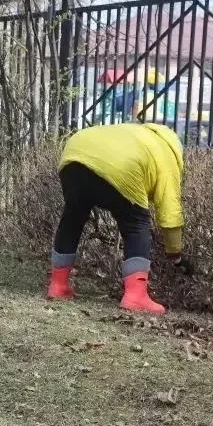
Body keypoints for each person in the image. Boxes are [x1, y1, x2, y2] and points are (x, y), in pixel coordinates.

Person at [46, 122, 196, 314]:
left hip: (74, 153)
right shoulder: (168, 156)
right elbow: (170, 214)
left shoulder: (137, 133)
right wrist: (175, 253)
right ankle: (136, 295)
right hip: (121, 166)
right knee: (136, 224)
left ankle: (58, 285)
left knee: (73, 218)